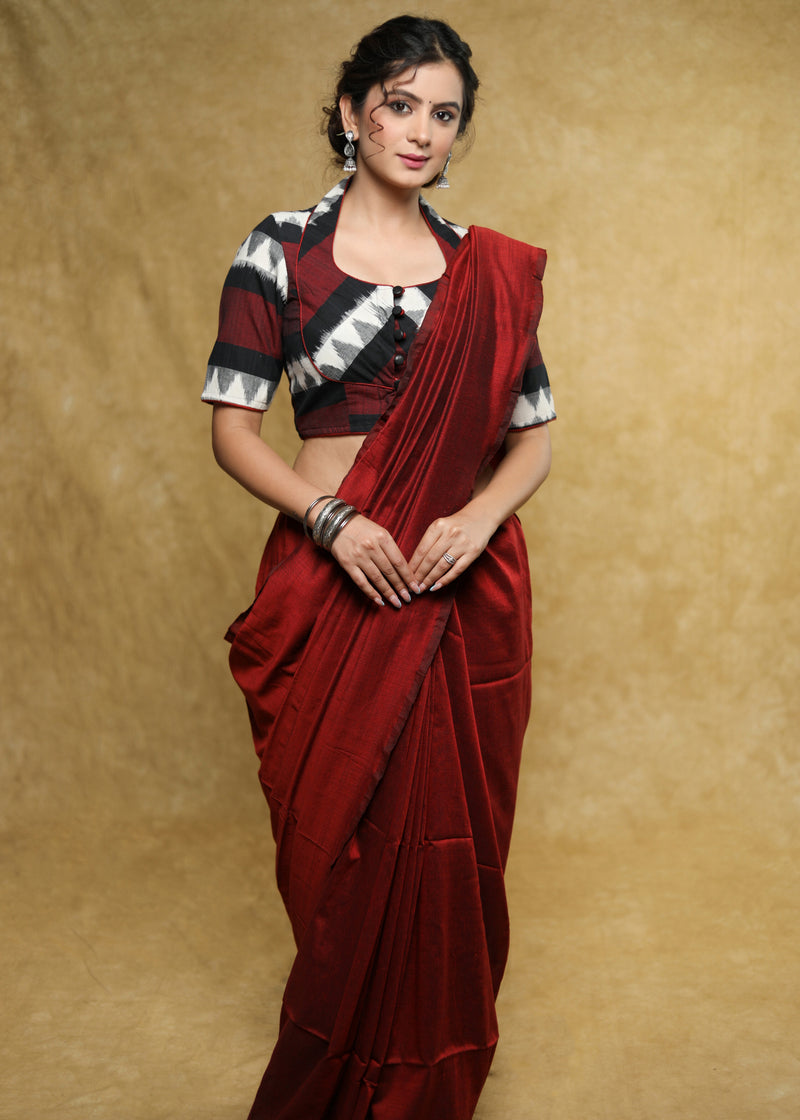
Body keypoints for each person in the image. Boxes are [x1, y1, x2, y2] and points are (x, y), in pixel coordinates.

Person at [203, 15, 556, 1119]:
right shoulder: (280, 250)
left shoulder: (480, 269)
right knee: (339, 843)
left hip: (457, 588)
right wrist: (331, 521)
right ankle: (344, 1055)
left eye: (443, 114)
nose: (420, 131)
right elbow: (232, 430)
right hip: (332, 578)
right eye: (399, 105)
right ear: (354, 112)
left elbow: (534, 437)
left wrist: (477, 520)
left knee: (447, 842)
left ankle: (424, 1074)